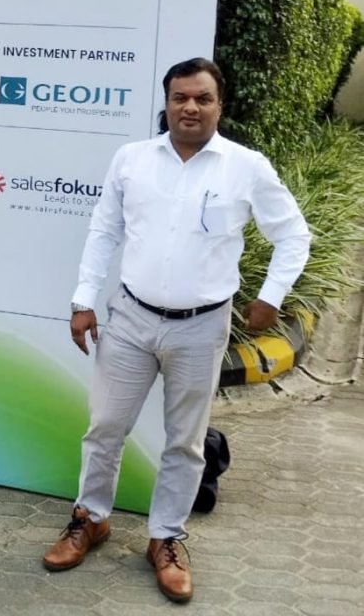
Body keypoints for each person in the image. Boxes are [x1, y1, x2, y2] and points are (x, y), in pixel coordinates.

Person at [42, 58, 311, 603]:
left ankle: (165, 538)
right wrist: (83, 299)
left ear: (219, 106)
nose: (190, 107)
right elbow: (104, 230)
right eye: (180, 97)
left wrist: (271, 296)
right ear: (165, 104)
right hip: (131, 317)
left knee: (185, 442)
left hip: (201, 326)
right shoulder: (132, 159)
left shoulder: (246, 167)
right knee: (105, 427)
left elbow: (293, 235)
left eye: (202, 98)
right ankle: (90, 518)